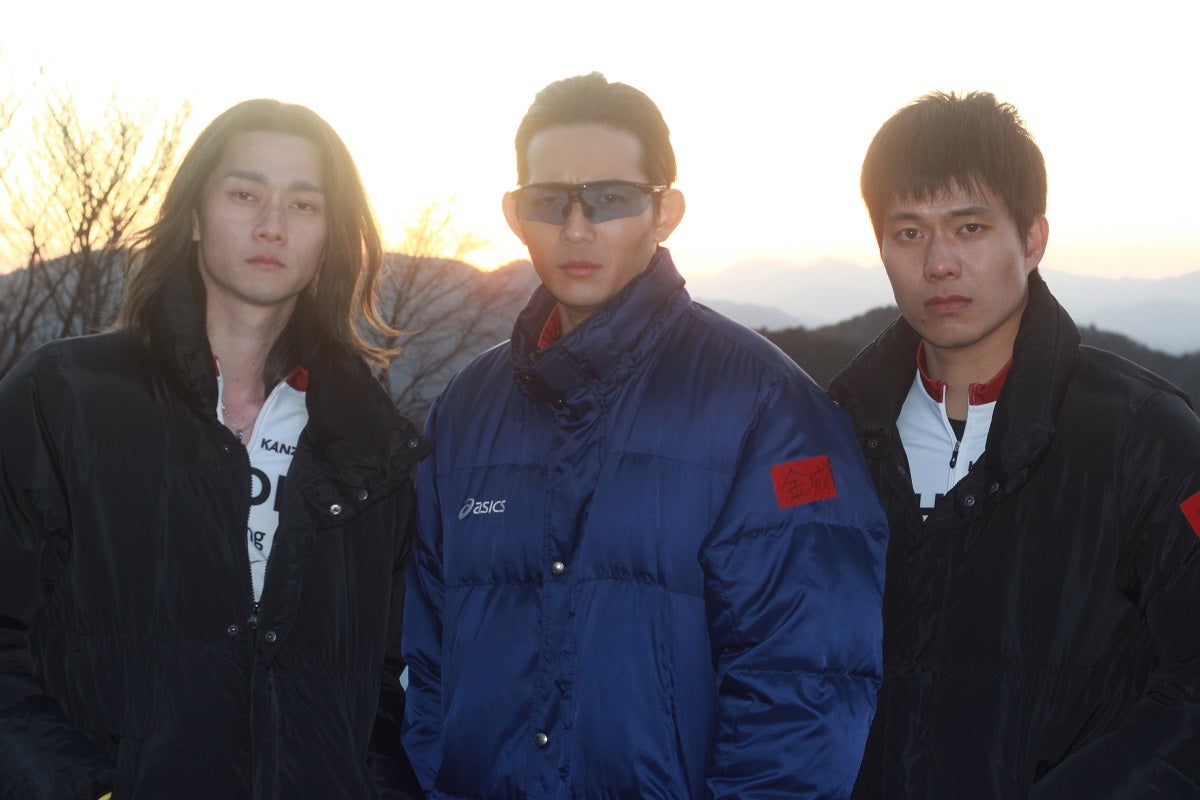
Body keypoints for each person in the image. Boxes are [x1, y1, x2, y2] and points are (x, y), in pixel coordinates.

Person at [402, 71, 889, 799]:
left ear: (665, 212)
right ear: (514, 214)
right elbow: (427, 658)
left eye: (610, 199)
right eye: (549, 201)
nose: (576, 228)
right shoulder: (468, 410)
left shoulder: (770, 411)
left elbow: (804, 688)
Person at [0, 99, 427, 799]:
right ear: (195, 216)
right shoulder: (63, 398)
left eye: (304, 205)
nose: (272, 225)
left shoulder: (369, 447)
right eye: (244, 194)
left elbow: (387, 686)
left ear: (329, 237)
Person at [829, 91, 1200, 798]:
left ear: (1031, 240)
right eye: (908, 232)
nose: (938, 262)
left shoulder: (1145, 437)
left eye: (969, 227)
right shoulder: (832, 438)